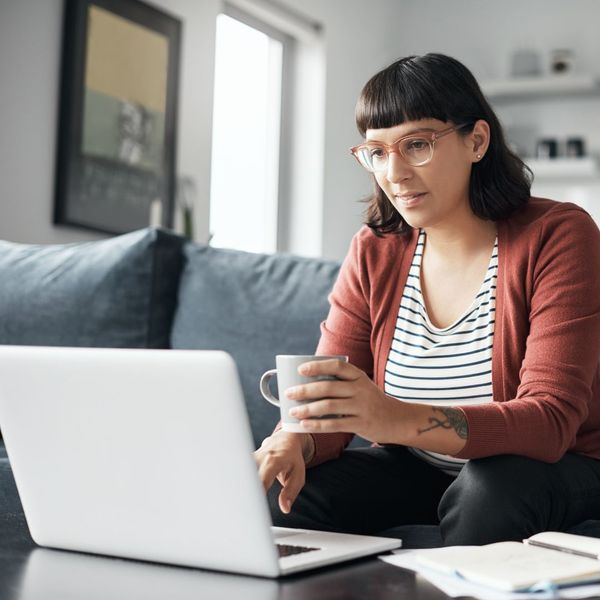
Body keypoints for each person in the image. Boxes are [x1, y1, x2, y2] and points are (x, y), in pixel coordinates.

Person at [253, 53, 600, 545]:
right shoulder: (374, 251)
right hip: (419, 467)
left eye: (416, 145)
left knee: (488, 490)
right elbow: (330, 397)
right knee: (285, 492)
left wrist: (393, 417)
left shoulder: (558, 234)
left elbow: (549, 421)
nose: (393, 173)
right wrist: (294, 440)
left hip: (563, 466)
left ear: (476, 140)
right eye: (377, 151)